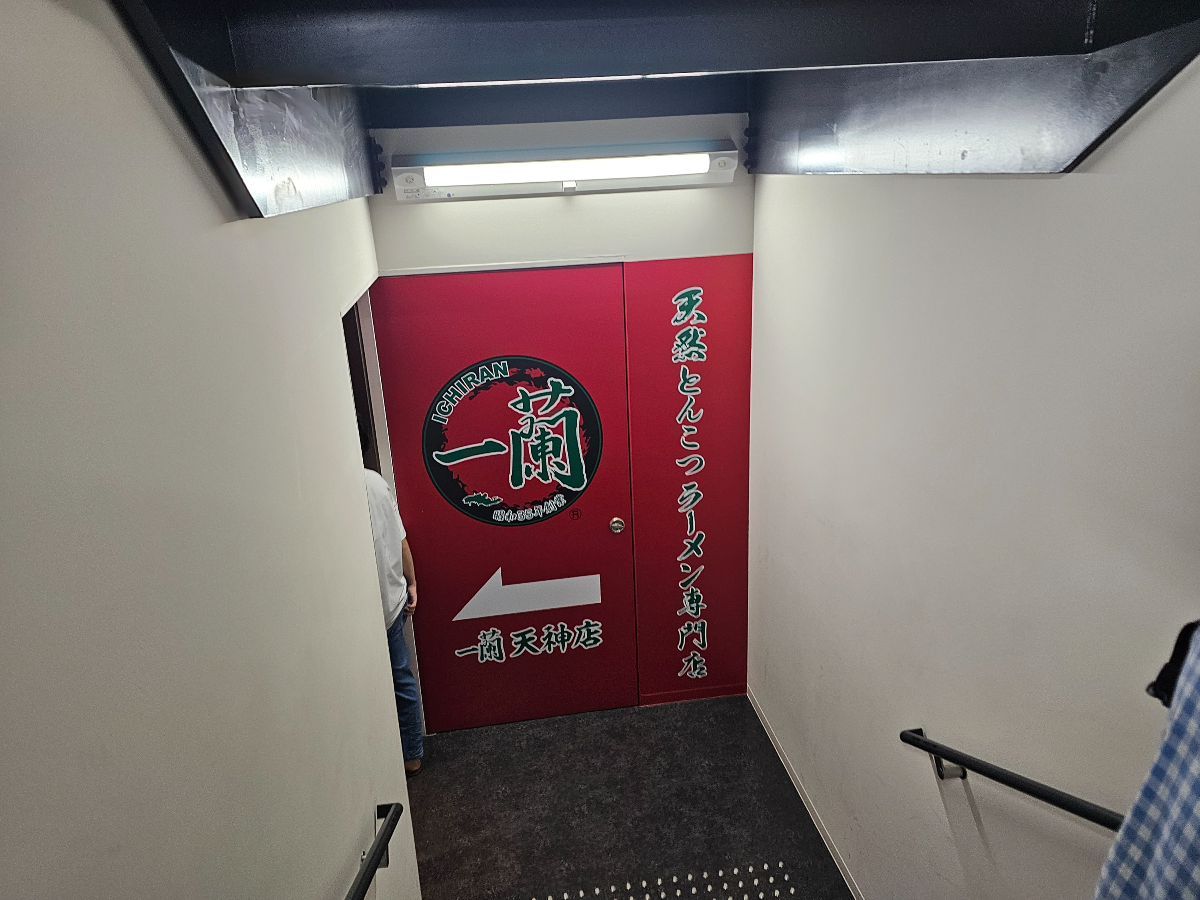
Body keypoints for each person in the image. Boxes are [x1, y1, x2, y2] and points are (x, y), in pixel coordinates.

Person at [363, 466, 424, 776]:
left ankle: (372, 763)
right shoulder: (375, 482)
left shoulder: (325, 487)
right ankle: (411, 756)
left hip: (355, 610)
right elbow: (400, 537)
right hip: (390, 600)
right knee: (401, 679)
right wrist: (411, 581)